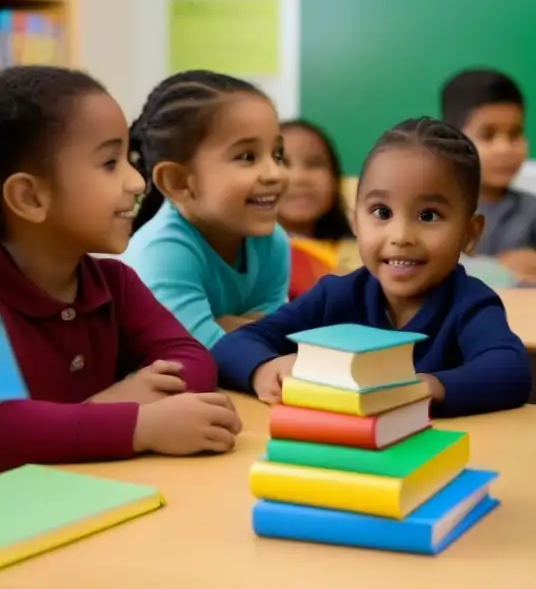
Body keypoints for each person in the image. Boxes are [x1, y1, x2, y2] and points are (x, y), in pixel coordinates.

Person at [0, 66, 241, 472]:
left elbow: (192, 357)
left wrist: (121, 407)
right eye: (109, 163)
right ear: (29, 197)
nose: (135, 181)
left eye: (129, 158)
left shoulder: (114, 282)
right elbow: (7, 430)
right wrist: (137, 423)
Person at [212, 117, 532, 417]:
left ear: (469, 233)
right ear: (355, 221)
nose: (401, 236)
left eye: (428, 216)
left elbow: (510, 370)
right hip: (347, 459)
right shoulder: (335, 295)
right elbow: (233, 345)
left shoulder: (470, 304)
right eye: (381, 212)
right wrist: (263, 368)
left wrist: (433, 387)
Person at [120, 71, 291, 349]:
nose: (275, 173)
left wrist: (226, 328)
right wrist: (237, 333)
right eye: (247, 157)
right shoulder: (162, 253)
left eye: (278, 154)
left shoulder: (272, 242)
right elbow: (205, 358)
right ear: (178, 182)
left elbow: (280, 335)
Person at [441, 68, 536, 280]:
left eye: (515, 134)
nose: (504, 149)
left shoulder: (530, 209)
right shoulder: (433, 206)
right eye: (487, 136)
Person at [278, 119, 360, 299]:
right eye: (282, 162)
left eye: (315, 164)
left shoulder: (364, 252)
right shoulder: (248, 259)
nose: (299, 178)